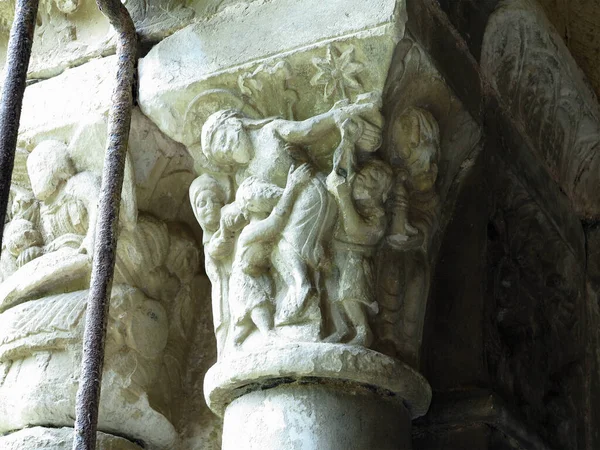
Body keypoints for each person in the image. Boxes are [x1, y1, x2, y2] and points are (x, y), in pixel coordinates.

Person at [228, 164, 312, 345]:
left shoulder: (263, 225)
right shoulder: (250, 231)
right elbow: (276, 221)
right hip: (245, 279)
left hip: (259, 276)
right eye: (259, 196)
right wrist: (292, 186)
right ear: (250, 206)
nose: (265, 196)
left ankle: (235, 343)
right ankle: (269, 335)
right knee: (258, 306)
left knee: (247, 322)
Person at [326, 159, 393, 346]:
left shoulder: (378, 214)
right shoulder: (359, 206)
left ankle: (363, 331)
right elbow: (346, 161)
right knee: (332, 292)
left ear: (383, 194)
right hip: (338, 254)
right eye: (363, 174)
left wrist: (343, 196)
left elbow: (355, 229)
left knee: (349, 295)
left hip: (356, 260)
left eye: (372, 178)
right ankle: (342, 329)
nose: (363, 177)